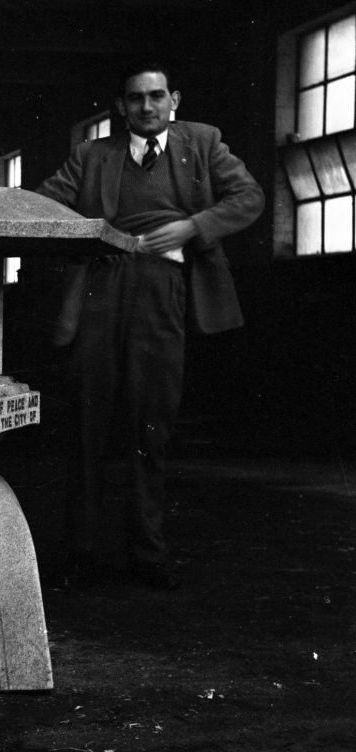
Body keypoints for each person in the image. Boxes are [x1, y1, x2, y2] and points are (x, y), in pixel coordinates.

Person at [36, 62, 264, 590]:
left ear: (173, 100)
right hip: (101, 289)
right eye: (135, 98)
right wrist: (96, 235)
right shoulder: (93, 155)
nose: (146, 107)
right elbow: (45, 204)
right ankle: (82, 549)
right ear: (121, 105)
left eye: (156, 96)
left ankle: (148, 552)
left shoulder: (203, 143)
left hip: (166, 292)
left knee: (152, 424)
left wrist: (194, 226)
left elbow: (248, 197)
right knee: (89, 422)